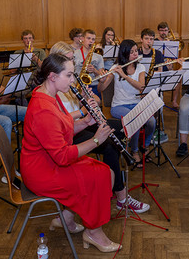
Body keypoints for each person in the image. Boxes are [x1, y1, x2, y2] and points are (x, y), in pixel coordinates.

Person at [21, 53, 121, 253]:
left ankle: (66, 219)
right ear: (52, 76)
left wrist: (85, 121)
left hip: (48, 162)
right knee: (101, 176)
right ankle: (94, 232)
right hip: (42, 171)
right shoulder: (43, 108)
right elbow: (63, 156)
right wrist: (96, 140)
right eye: (69, 75)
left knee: (104, 171)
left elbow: (63, 126)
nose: (73, 80)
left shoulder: (48, 95)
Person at [51, 41, 149, 213]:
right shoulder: (54, 87)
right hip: (70, 133)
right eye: (69, 61)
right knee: (110, 145)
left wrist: (86, 96)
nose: (72, 66)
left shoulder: (69, 82)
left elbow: (97, 101)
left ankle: (110, 180)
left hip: (82, 124)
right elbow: (59, 123)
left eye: (72, 61)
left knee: (120, 127)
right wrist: (82, 112)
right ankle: (120, 196)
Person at [98, 39, 155, 166]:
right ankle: (134, 151)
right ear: (124, 53)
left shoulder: (140, 67)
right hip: (119, 106)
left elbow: (141, 86)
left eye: (136, 51)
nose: (136, 54)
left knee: (152, 121)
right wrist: (102, 81)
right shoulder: (115, 68)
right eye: (132, 52)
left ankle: (144, 146)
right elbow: (101, 89)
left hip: (136, 103)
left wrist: (124, 76)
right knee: (134, 120)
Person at [73, 29, 105, 96]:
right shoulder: (74, 54)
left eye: (93, 39)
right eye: (88, 38)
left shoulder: (99, 57)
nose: (91, 41)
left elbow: (102, 77)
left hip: (93, 86)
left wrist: (94, 70)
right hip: (78, 85)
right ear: (82, 39)